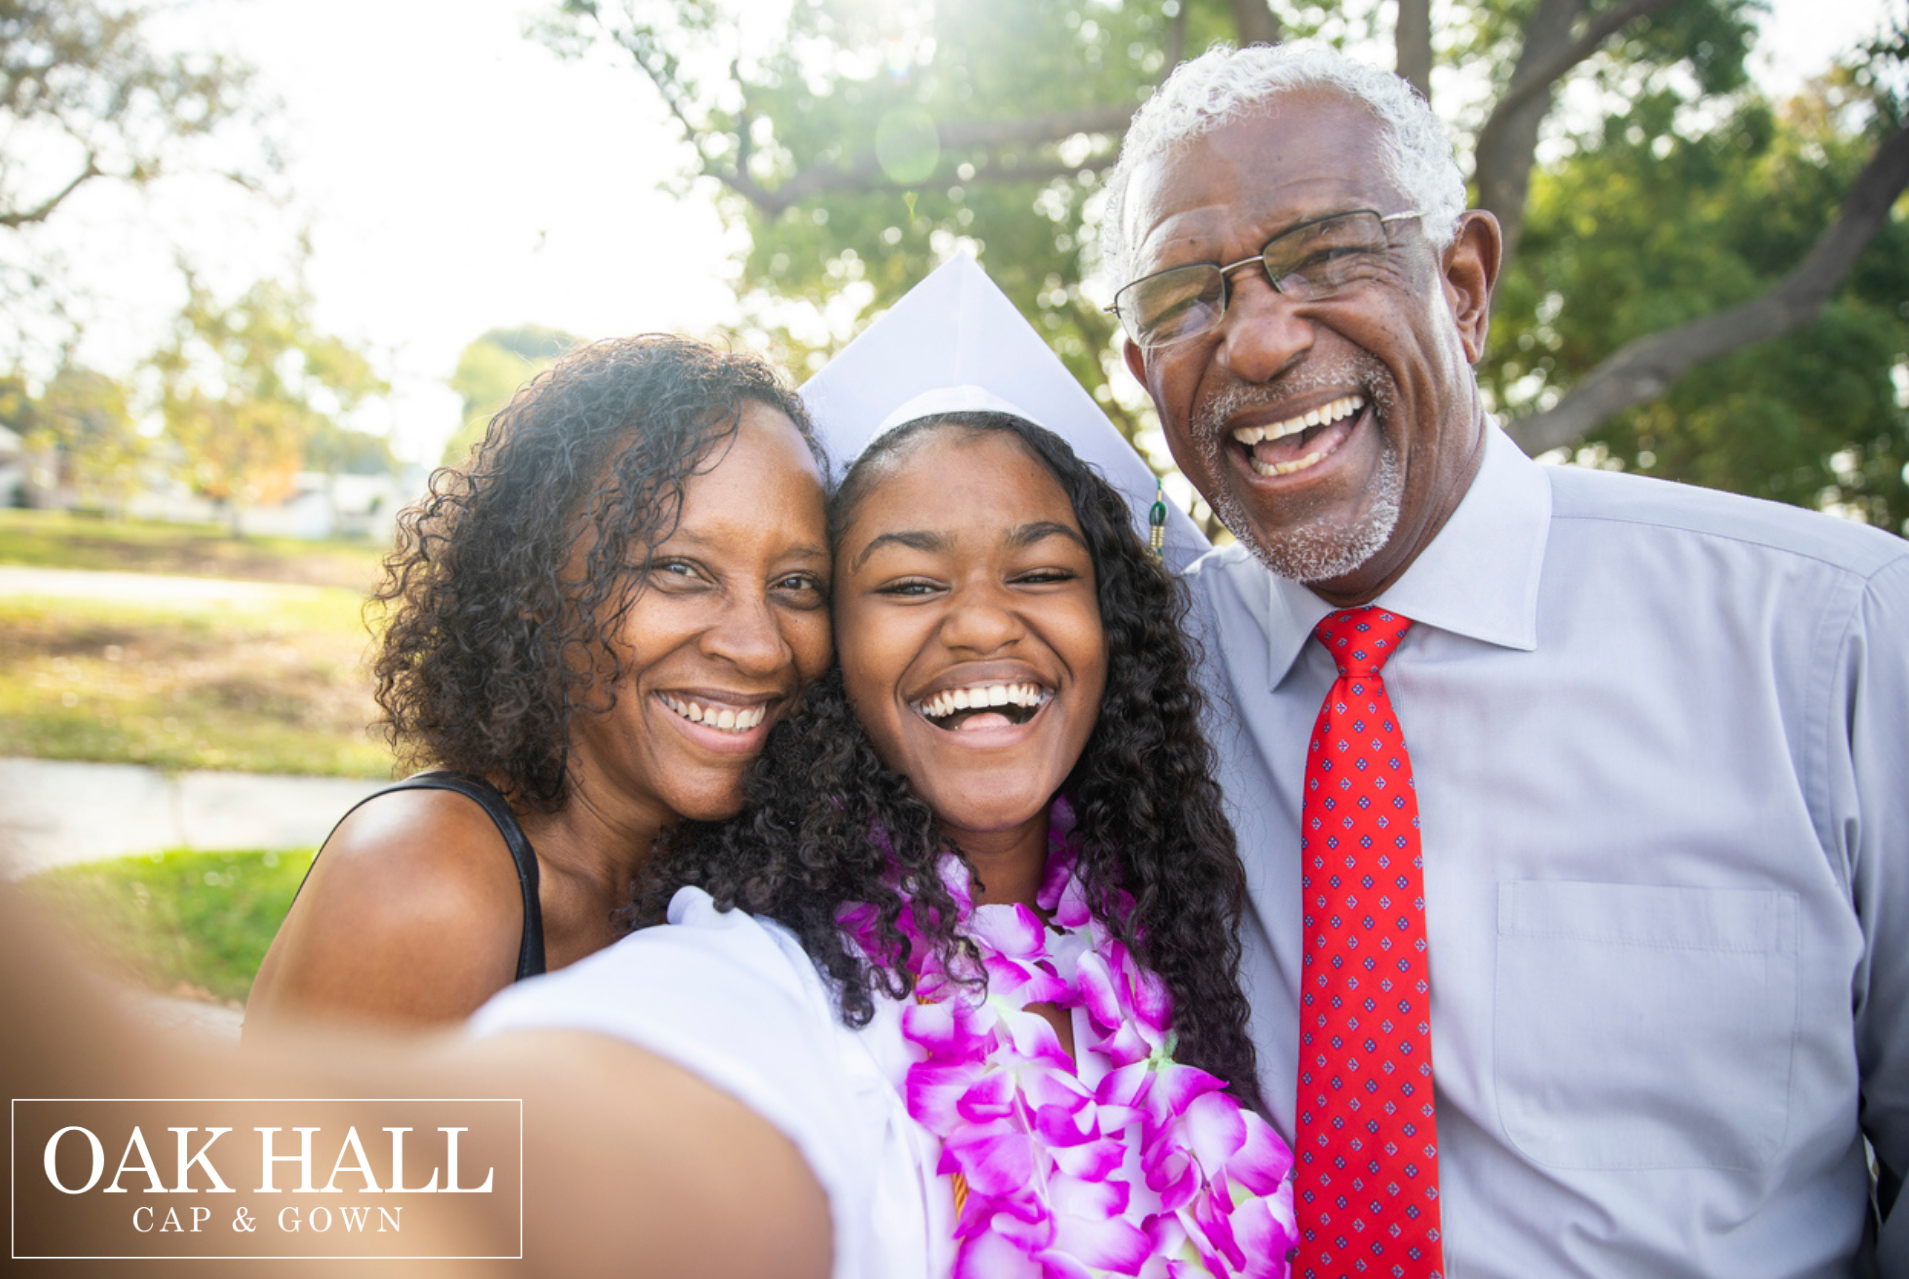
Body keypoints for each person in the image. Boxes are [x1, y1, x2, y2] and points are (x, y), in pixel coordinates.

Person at [1099, 41, 1909, 1278]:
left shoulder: (1828, 638)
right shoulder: (1136, 681)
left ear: (1464, 286)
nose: (1257, 341)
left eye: (1327, 253)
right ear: (1144, 371)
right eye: (1183, 298)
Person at [472, 399, 1296, 1278]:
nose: (981, 624)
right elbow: (594, 1090)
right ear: (835, 652)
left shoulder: (1179, 945)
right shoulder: (787, 982)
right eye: (910, 584)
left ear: (1111, 628)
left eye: (1042, 572)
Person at [244, 336, 833, 1031]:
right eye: (678, 569)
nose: (759, 647)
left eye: (798, 583)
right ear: (534, 585)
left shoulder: (740, 882)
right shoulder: (425, 883)